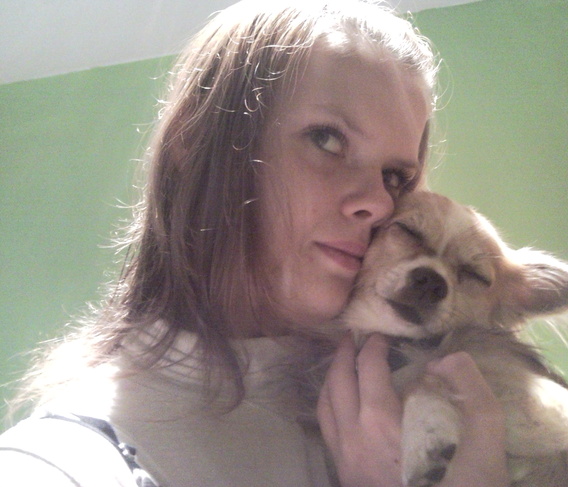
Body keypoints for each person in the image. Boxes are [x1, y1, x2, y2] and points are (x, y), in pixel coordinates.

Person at [0, 1, 508, 486]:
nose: (379, 203)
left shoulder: (444, 394)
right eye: (328, 139)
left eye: (395, 176)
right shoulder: (74, 456)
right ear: (196, 144)